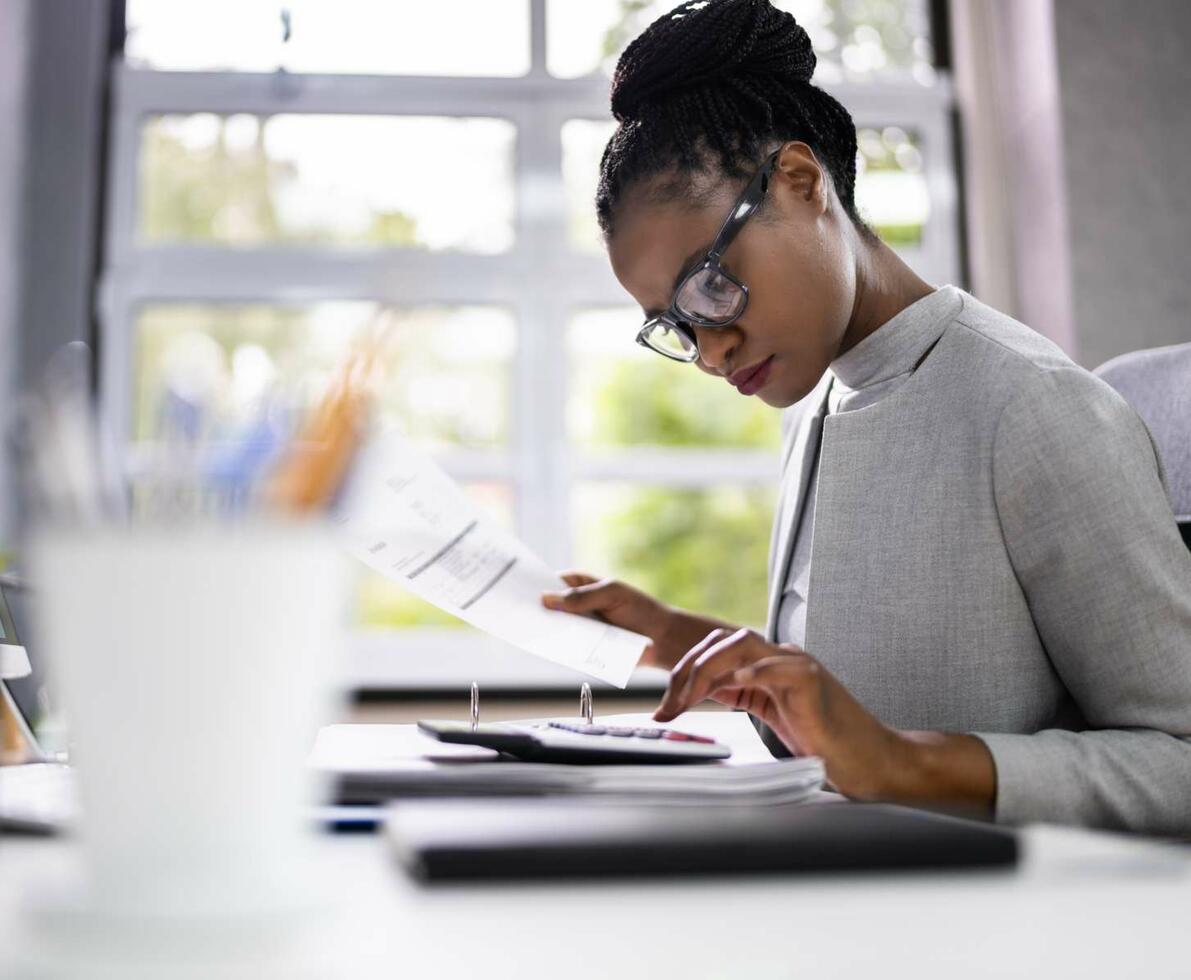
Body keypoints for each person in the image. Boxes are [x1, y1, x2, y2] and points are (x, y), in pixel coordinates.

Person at [542, 0, 1191, 834]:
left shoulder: (1031, 407)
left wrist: (904, 763)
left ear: (802, 183)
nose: (708, 352)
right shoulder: (820, 398)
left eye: (709, 285)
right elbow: (867, 683)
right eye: (676, 323)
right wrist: (673, 634)